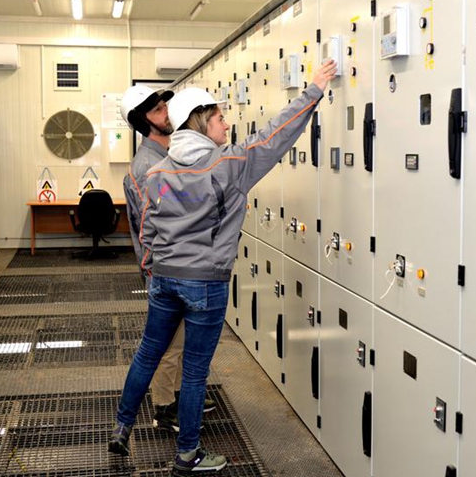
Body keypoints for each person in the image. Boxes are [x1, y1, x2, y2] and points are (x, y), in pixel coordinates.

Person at [108, 60, 337, 472]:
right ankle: (187, 455)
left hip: (164, 280)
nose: (226, 123)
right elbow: (275, 136)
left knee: (147, 354)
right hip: (204, 284)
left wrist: (156, 265)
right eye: (219, 117)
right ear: (200, 123)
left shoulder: (158, 170)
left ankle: (121, 429)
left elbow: (148, 230)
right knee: (194, 373)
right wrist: (313, 91)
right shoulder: (228, 165)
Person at [118, 84, 215, 434]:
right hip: (166, 268)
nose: (167, 113)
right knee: (169, 344)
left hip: (181, 265)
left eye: (166, 107)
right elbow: (157, 225)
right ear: (144, 120)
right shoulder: (148, 165)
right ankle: (164, 405)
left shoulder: (169, 154)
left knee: (180, 338)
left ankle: (177, 392)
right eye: (159, 110)